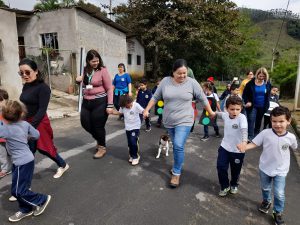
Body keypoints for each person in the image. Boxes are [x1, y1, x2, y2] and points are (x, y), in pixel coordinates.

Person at [143, 59, 215, 188]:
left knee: (178, 144)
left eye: (184, 73)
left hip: (185, 119)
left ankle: (176, 173)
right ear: (173, 72)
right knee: (177, 146)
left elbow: (202, 98)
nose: (182, 76)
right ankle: (177, 165)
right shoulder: (165, 82)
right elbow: (155, 97)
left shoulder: (192, 83)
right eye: (179, 73)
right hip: (169, 120)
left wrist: (210, 112)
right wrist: (147, 109)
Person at [237, 106, 297, 225]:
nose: (277, 124)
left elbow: (295, 147)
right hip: (265, 168)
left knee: (279, 193)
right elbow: (254, 143)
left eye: (281, 121)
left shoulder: (291, 137)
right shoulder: (266, 133)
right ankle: (266, 201)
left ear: (288, 121)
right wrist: (244, 147)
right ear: (271, 121)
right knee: (265, 188)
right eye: (274, 121)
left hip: (281, 170)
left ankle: (278, 212)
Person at [0, 100, 51, 222]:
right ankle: (25, 209)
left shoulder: (5, 129)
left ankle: (41, 199)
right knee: (23, 187)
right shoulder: (25, 124)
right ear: (21, 113)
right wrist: (27, 137)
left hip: (21, 163)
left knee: (17, 191)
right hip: (27, 159)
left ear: (4, 117)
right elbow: (37, 135)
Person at [19, 58, 69, 178]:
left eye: (27, 72)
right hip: (27, 121)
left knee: (45, 148)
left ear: (36, 71)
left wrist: (30, 128)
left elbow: (42, 110)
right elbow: (25, 105)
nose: (24, 75)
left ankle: (62, 165)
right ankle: (23, 184)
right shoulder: (26, 86)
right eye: (21, 73)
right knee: (29, 151)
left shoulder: (43, 88)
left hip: (39, 122)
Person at [76, 50, 113, 159]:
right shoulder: (84, 70)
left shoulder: (103, 70)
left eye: (97, 60)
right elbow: (81, 83)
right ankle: (99, 138)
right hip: (86, 101)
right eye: (93, 61)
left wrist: (110, 105)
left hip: (100, 101)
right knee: (85, 123)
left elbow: (110, 88)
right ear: (88, 61)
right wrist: (77, 80)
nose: (96, 63)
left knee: (98, 126)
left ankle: (102, 147)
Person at [215, 96, 248, 196]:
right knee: (220, 167)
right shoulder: (225, 115)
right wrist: (213, 113)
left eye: (238, 109)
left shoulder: (242, 117)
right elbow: (220, 114)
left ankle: (234, 184)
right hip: (224, 147)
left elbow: (244, 131)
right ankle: (224, 186)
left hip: (238, 151)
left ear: (241, 108)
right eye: (232, 109)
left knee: (235, 171)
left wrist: (244, 143)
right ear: (227, 108)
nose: (235, 112)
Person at [112, 95, 144, 166]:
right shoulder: (123, 106)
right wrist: (112, 112)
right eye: (126, 106)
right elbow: (120, 112)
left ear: (131, 102)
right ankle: (131, 156)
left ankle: (136, 157)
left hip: (135, 127)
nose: (128, 107)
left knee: (133, 142)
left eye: (129, 105)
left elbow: (143, 111)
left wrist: (145, 113)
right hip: (128, 127)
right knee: (129, 143)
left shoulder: (136, 105)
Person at [242, 67, 271, 140]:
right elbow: (244, 94)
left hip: (262, 106)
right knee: (251, 120)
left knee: (259, 121)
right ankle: (250, 136)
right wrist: (247, 101)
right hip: (253, 106)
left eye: (263, 76)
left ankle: (256, 134)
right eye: (260, 76)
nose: (261, 78)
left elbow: (268, 95)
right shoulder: (250, 83)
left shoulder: (267, 84)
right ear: (257, 75)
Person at [0, 89, 12, 178]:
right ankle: (4, 169)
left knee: (11, 153)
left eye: (0, 101)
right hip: (0, 138)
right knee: (2, 154)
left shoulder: (9, 111)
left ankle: (15, 166)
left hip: (9, 137)